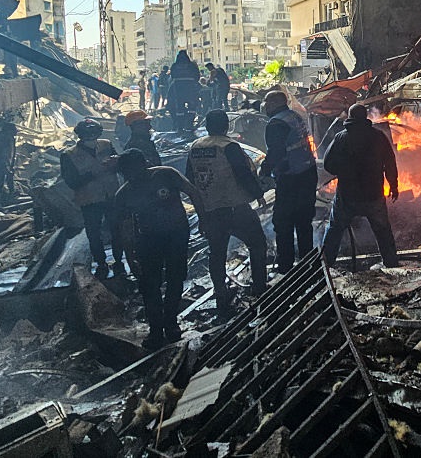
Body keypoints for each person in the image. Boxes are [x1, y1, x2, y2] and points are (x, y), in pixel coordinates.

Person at [110, 149, 205, 348]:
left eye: (134, 170)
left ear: (144, 164)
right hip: (148, 241)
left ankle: (170, 323)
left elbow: (193, 192)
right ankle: (155, 330)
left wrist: (203, 219)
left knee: (175, 278)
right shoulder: (124, 194)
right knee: (149, 285)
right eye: (127, 172)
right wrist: (130, 256)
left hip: (176, 236)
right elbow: (125, 227)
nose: (132, 175)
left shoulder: (166, 174)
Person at [187, 110, 269, 309]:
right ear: (227, 126)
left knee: (216, 253)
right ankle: (259, 287)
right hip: (235, 207)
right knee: (258, 244)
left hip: (211, 210)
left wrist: (201, 210)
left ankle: (220, 293)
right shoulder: (229, 146)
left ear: (207, 126)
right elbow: (243, 173)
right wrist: (258, 194)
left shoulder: (195, 147)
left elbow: (190, 178)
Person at [322, 104, 400, 267]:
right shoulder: (378, 137)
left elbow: (328, 164)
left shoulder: (341, 138)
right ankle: (391, 264)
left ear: (350, 117)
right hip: (373, 194)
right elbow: (390, 163)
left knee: (334, 229)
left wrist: (343, 171)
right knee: (383, 231)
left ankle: (325, 265)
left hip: (347, 196)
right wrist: (393, 185)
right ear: (365, 117)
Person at [260, 91, 317, 273]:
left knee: (283, 222)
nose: (265, 106)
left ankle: (286, 266)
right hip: (308, 173)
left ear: (274, 103)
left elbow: (276, 153)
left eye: (267, 102)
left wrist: (264, 170)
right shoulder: (294, 116)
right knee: (304, 221)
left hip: (291, 178)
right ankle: (308, 263)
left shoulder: (276, 123)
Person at [60, 119, 121, 277]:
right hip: (89, 200)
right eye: (88, 133)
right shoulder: (69, 154)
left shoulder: (106, 145)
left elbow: (120, 164)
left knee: (117, 229)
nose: (91, 136)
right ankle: (101, 262)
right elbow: (72, 181)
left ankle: (119, 259)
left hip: (111, 195)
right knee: (94, 233)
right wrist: (93, 174)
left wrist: (115, 164)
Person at [167, 51, 201, 131]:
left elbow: (173, 76)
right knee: (192, 106)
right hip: (190, 87)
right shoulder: (192, 65)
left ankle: (180, 126)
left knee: (179, 107)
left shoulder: (175, 65)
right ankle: (189, 124)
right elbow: (197, 75)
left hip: (178, 87)